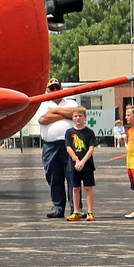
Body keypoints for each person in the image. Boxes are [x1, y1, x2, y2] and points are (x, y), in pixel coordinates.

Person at [34, 84, 75, 219]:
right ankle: (58, 207)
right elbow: (43, 119)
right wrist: (64, 114)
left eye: (57, 88)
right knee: (53, 176)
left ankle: (75, 208)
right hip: (50, 146)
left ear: (62, 90)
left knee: (72, 176)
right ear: (47, 91)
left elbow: (76, 114)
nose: (55, 91)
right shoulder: (43, 104)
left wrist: (55, 111)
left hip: (70, 144)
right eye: (52, 89)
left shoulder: (71, 102)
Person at [65, 107, 98, 220]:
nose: (78, 118)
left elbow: (91, 148)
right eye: (75, 116)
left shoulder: (89, 132)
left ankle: (90, 211)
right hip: (73, 165)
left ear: (85, 117)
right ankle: (76, 211)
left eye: (80, 116)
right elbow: (68, 147)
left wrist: (83, 161)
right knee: (75, 188)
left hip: (87, 164)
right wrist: (76, 160)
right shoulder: (69, 132)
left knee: (88, 187)